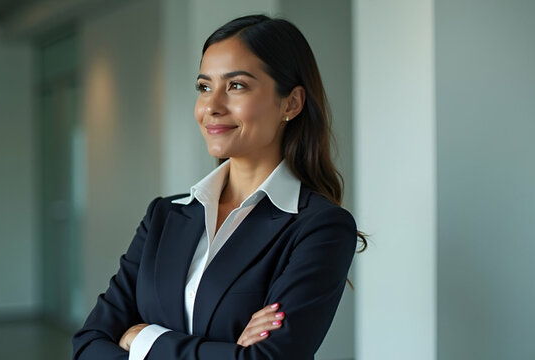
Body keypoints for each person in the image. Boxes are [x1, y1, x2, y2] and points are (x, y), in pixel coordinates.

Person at [72, 15, 366, 359]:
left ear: (291, 103)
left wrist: (143, 337)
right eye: (204, 87)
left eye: (236, 85)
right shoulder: (165, 215)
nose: (211, 106)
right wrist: (228, 351)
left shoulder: (319, 227)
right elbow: (89, 343)